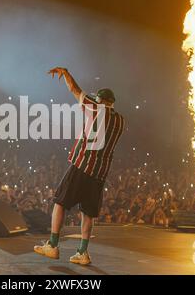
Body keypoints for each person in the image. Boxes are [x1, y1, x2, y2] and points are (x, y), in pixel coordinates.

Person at [34, 67, 125, 265]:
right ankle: (82, 252)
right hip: (99, 173)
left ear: (99, 100)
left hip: (82, 165)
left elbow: (75, 90)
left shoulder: (96, 108)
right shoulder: (120, 121)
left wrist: (65, 73)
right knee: (88, 212)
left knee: (60, 202)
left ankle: (52, 245)